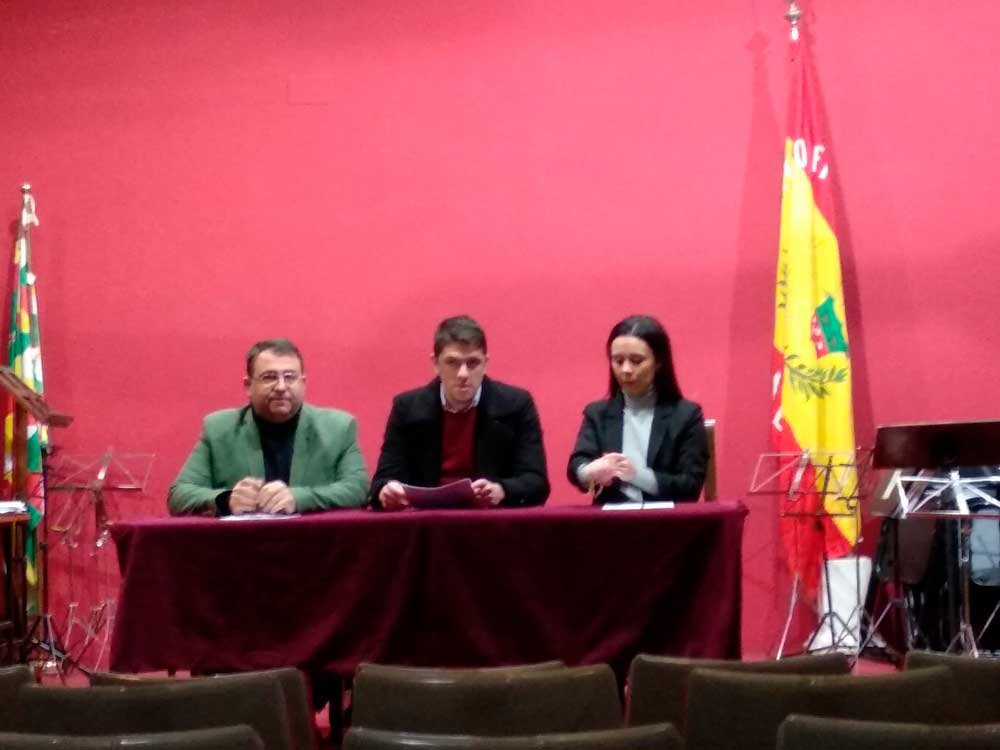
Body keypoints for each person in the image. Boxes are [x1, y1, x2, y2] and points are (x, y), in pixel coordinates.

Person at [168, 338, 369, 515]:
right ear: (248, 386)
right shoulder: (218, 428)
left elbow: (358, 489)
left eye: (290, 377)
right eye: (270, 377)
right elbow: (179, 494)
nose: (281, 387)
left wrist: (299, 498)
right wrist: (226, 499)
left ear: (303, 383)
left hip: (315, 547)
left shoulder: (339, 427)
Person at [371, 315, 550, 509]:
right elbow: (383, 480)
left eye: (472, 363)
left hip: (492, 521)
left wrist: (502, 490)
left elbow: (537, 482)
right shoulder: (407, 408)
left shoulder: (516, 405)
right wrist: (386, 491)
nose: (463, 374)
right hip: (426, 521)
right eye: (452, 363)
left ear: (485, 364)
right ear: (435, 364)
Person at [567, 315, 707, 503]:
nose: (625, 369)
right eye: (618, 361)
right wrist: (588, 472)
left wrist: (636, 475)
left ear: (658, 363)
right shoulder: (597, 413)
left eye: (636, 360)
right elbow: (576, 466)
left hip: (668, 523)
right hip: (610, 523)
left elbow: (690, 487)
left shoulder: (686, 415)